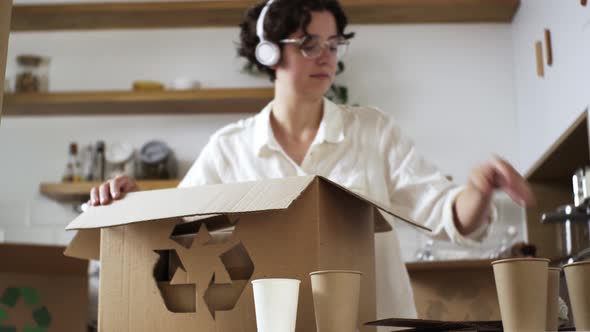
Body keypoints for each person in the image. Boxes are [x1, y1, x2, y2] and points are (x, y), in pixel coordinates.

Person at [89, 0, 533, 319]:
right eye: (309, 44)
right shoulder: (229, 148)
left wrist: (477, 191)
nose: (327, 57)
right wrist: (127, 205)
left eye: (334, 44)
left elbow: (444, 213)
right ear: (269, 53)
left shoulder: (372, 131)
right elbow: (176, 235)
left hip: (374, 322)